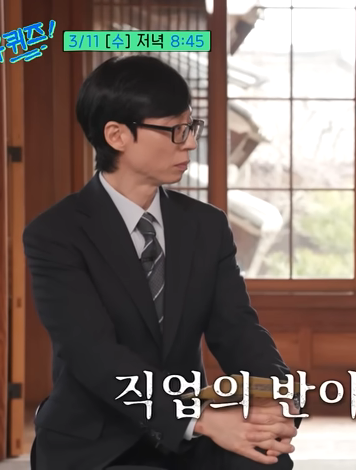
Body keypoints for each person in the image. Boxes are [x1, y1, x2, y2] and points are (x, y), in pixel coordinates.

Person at [24, 55, 300, 470]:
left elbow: (237, 328)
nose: (189, 143)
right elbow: (94, 354)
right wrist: (200, 418)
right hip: (96, 441)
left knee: (267, 459)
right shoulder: (56, 233)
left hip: (189, 440)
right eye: (174, 130)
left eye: (190, 127)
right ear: (117, 135)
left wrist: (275, 396)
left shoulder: (205, 225)